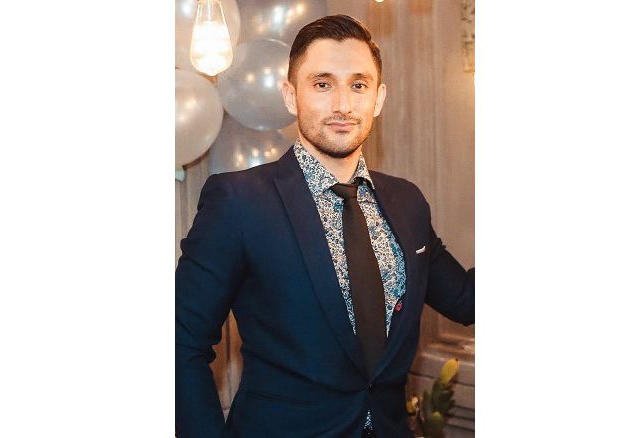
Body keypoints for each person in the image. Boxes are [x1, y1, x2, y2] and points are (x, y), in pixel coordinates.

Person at [176, 14, 474, 438]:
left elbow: (464, 298)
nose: (342, 105)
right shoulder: (238, 201)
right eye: (322, 84)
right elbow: (181, 343)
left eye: (358, 84)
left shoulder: (407, 202)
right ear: (290, 95)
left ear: (379, 97)